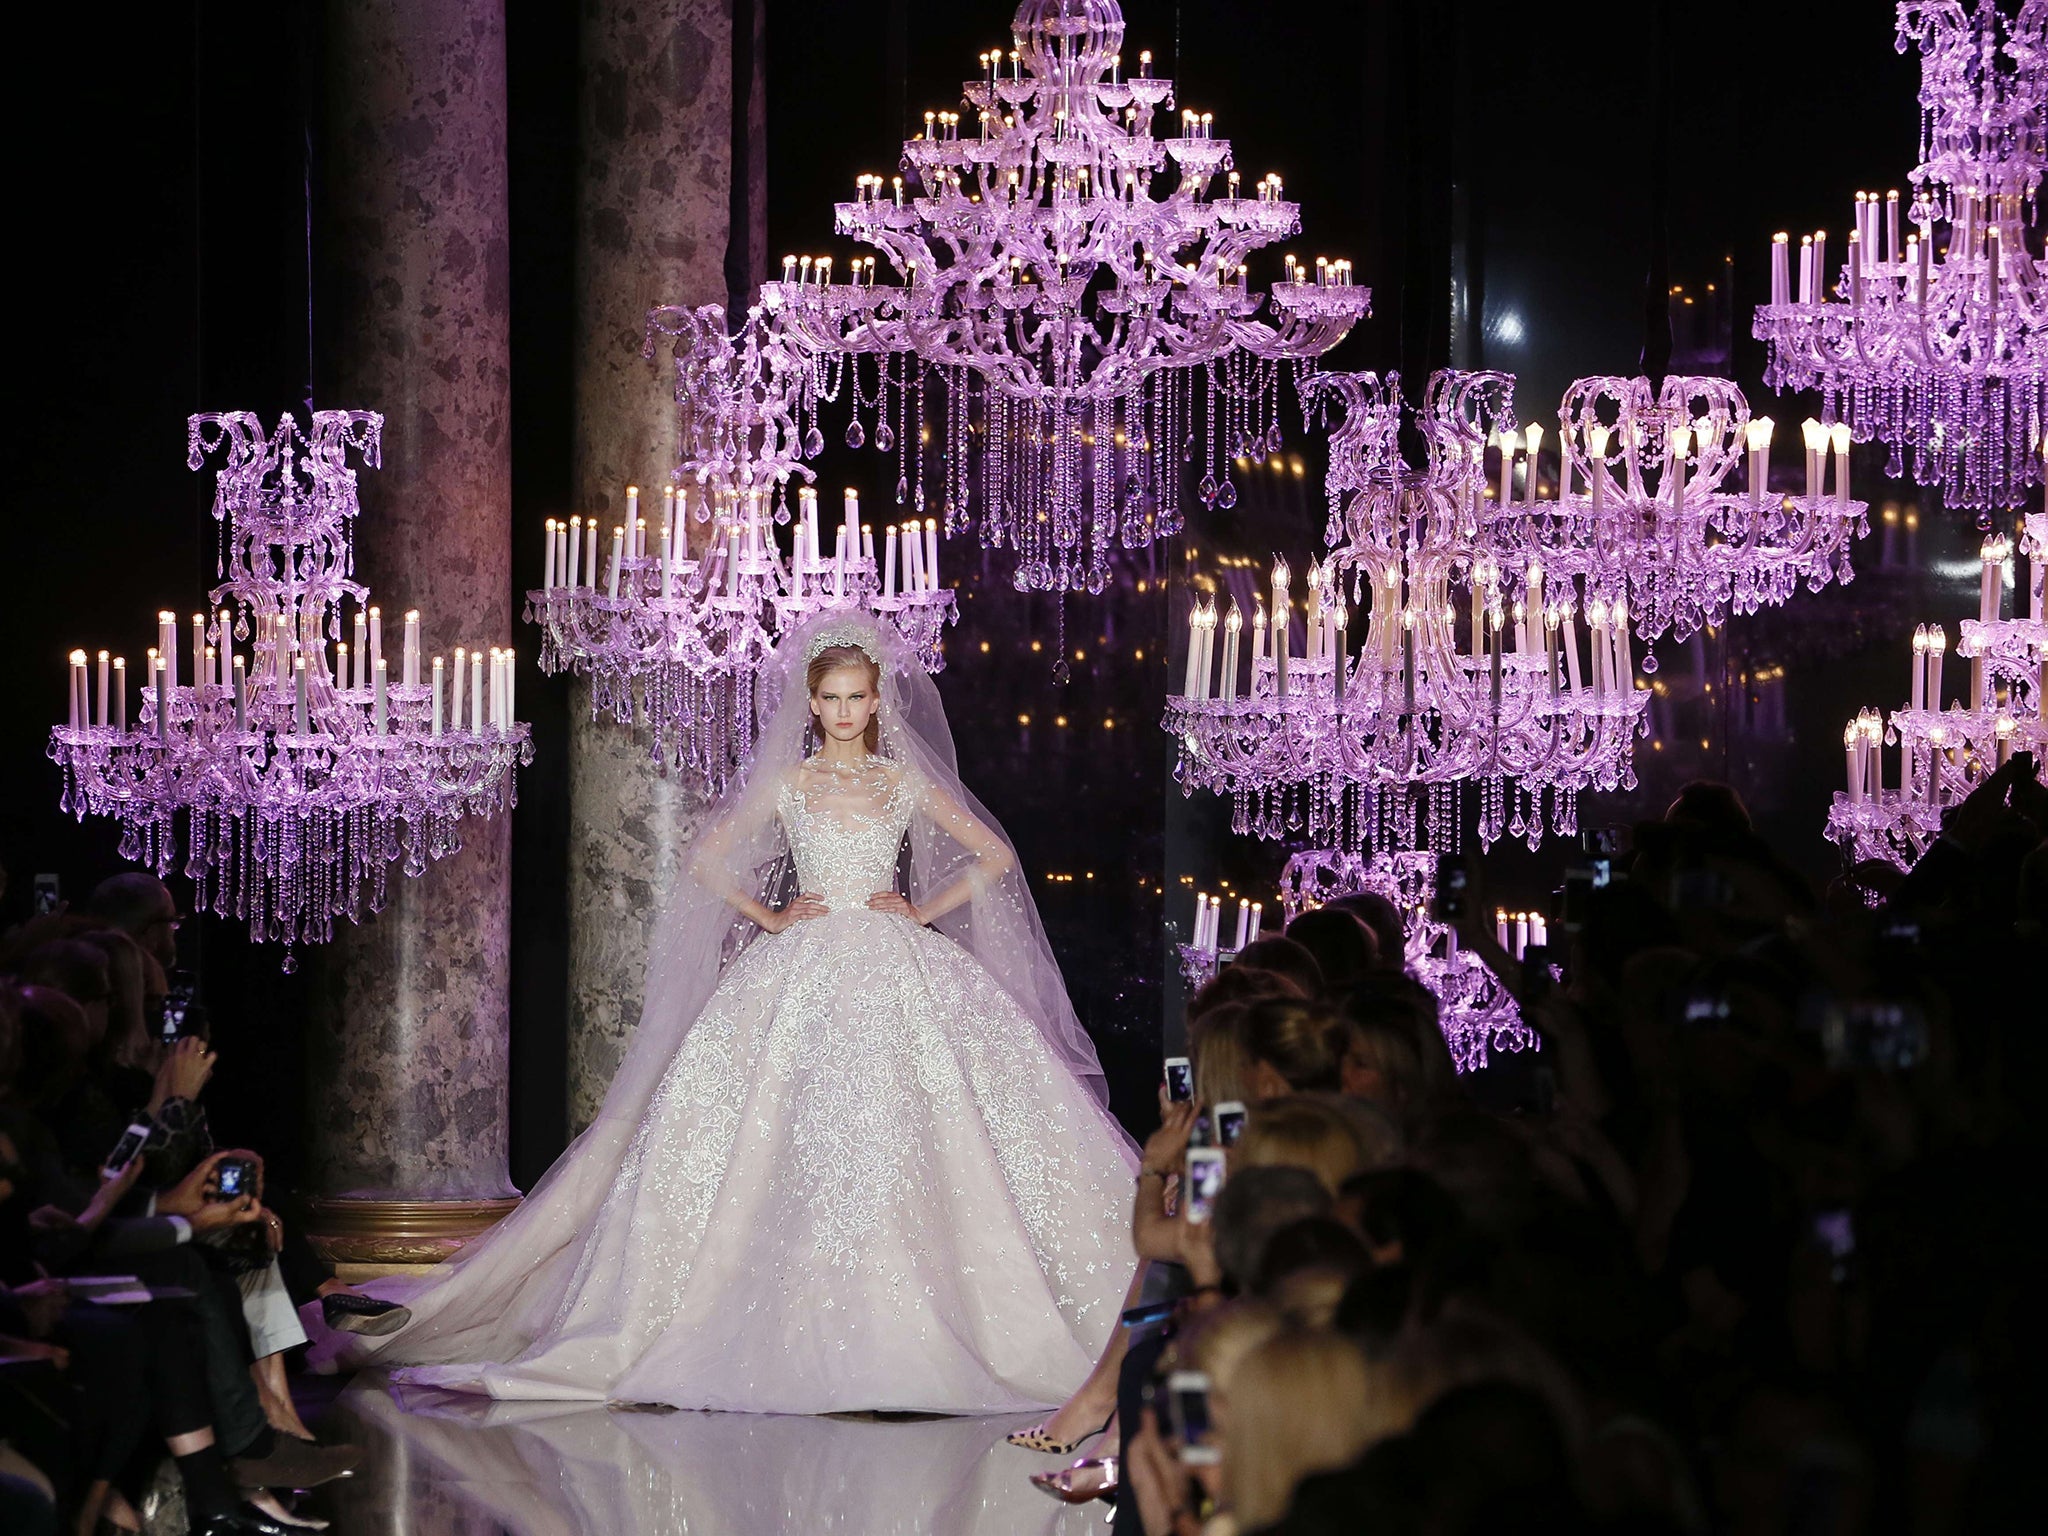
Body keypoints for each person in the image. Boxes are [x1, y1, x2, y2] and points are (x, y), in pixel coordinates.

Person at [355, 616, 1138, 1412]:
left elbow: (995, 855)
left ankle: (937, 1322)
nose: (843, 712)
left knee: (916, 1123)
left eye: (856, 697)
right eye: (830, 698)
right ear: (811, 701)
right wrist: (766, 919)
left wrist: (922, 908)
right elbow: (706, 857)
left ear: (876, 702)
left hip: (893, 960)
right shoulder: (790, 784)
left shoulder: (902, 782)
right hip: (801, 963)